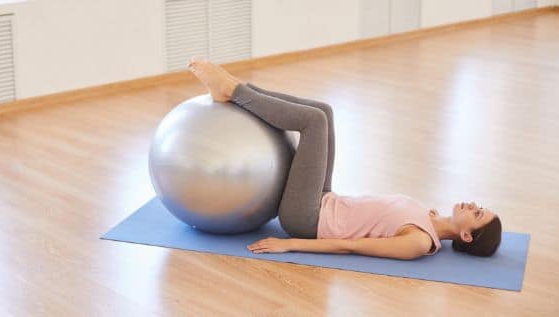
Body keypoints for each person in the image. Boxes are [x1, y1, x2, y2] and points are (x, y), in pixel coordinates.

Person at [187, 58, 502, 260]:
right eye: (479, 206)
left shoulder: (419, 243)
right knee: (325, 111)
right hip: (326, 200)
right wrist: (432, 216)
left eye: (477, 214)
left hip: (307, 220)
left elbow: (352, 246)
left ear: (465, 236)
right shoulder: (429, 217)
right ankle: (239, 90)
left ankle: (232, 89)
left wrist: (291, 244)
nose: (473, 205)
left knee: (314, 123)